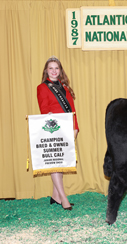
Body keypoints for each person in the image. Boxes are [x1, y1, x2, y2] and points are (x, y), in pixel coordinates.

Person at [37, 56, 79, 210]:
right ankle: (63, 198)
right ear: (46, 71)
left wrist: (75, 127)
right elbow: (44, 111)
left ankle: (55, 197)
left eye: (56, 68)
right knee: (55, 163)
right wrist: (54, 129)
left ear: (60, 71)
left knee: (60, 162)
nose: (54, 71)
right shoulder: (42, 88)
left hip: (68, 128)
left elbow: (72, 110)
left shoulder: (66, 87)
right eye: (51, 68)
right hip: (53, 129)